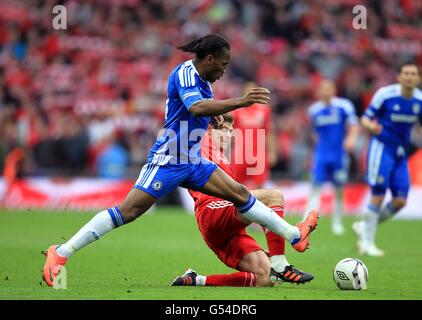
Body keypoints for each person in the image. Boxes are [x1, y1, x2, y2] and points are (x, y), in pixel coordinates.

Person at [42, 34, 318, 287]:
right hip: (168, 160)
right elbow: (196, 107)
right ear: (209, 59)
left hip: (193, 161)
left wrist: (216, 117)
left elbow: (203, 109)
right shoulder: (185, 73)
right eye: (223, 64)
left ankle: (295, 236)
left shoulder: (205, 82)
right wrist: (241, 102)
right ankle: (61, 252)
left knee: (241, 194)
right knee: (128, 212)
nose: (224, 70)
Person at [171, 114, 315, 287]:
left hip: (225, 226)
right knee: (273, 196)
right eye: (225, 130)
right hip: (211, 210)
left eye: (231, 131)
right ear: (210, 129)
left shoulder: (223, 159)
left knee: (265, 278)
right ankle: (284, 257)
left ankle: (196, 280)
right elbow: (197, 111)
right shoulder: (200, 141)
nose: (229, 135)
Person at [353, 62, 422, 256]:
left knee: (400, 201)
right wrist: (371, 127)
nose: (409, 77)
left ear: (418, 79)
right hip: (381, 148)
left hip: (401, 153)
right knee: (378, 194)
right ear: (399, 77)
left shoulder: (419, 100)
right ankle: (367, 243)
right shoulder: (385, 95)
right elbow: (365, 118)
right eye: (406, 73)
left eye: (413, 74)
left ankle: (363, 225)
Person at [306, 79, 359, 235]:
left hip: (339, 155)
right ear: (318, 92)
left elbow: (354, 124)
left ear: (334, 90)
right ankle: (308, 224)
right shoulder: (314, 110)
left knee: (339, 189)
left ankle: (337, 222)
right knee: (315, 188)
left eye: (329, 88)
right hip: (321, 154)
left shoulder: (344, 106)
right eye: (323, 89)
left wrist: (351, 139)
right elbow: (313, 131)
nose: (326, 92)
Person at [231, 81, 277, 189]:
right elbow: (228, 132)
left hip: (258, 155)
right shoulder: (236, 111)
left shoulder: (264, 110)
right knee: (236, 185)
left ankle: (256, 205)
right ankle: (236, 206)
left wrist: (272, 152)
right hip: (240, 154)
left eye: (254, 91)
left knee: (259, 185)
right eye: (248, 91)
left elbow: (269, 132)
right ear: (244, 92)